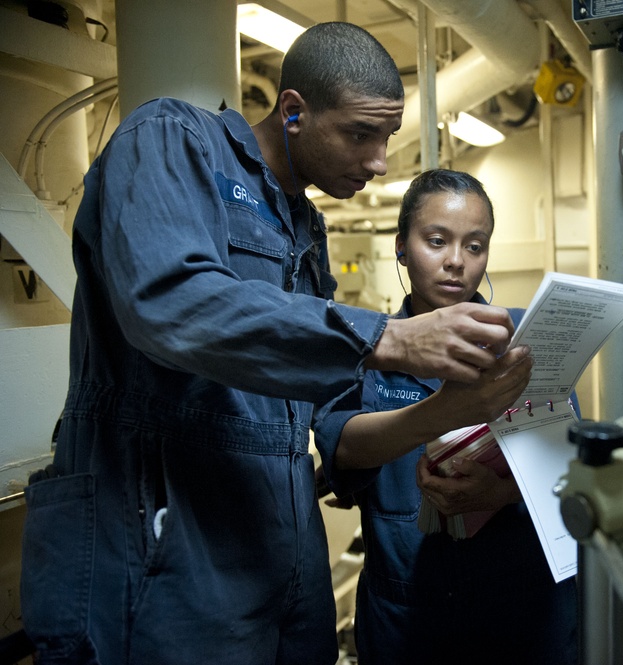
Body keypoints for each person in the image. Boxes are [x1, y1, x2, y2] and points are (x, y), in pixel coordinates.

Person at [19, 23, 521, 665]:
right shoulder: (171, 141)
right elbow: (171, 302)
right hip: (160, 534)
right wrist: (387, 337)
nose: (378, 162)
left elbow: (326, 408)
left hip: (279, 544)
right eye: (359, 134)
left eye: (386, 137)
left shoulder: (305, 226)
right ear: (293, 112)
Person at [315, 169, 579, 665]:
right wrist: (447, 411)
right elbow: (341, 449)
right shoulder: (365, 351)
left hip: (518, 614)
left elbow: (570, 467)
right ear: (400, 246)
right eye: (436, 241)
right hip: (408, 621)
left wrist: (502, 493)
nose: (456, 262)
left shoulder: (526, 341)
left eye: (475, 246)